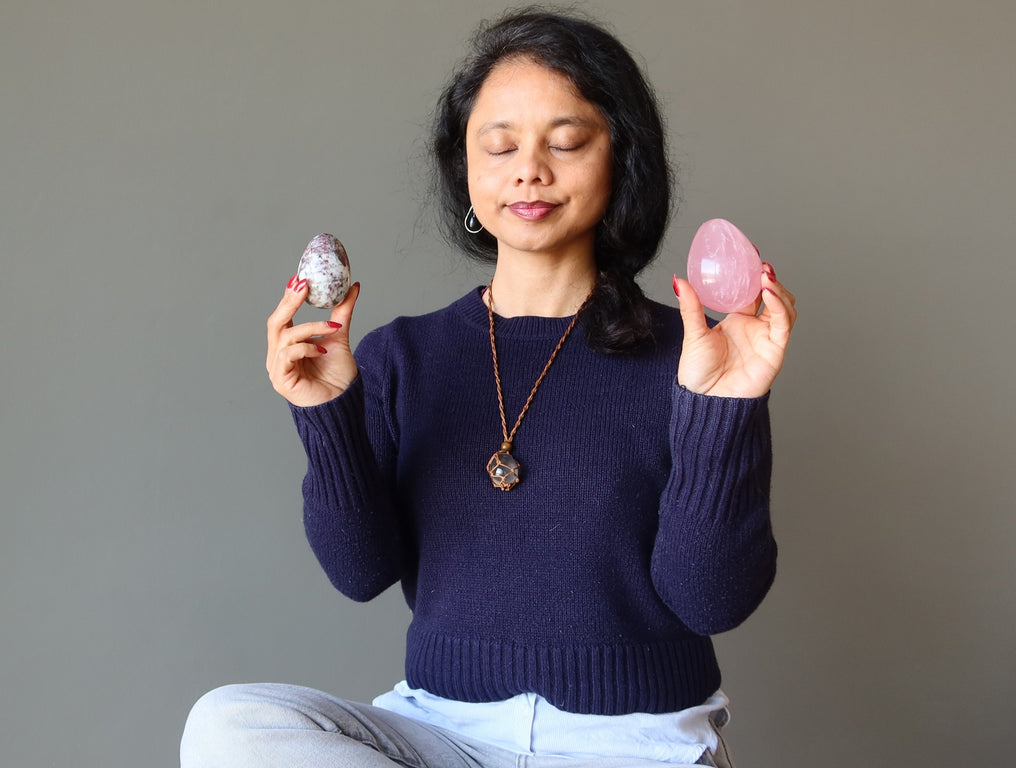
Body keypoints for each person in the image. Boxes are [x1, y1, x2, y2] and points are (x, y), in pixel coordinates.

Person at [181, 8, 796, 768]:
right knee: (230, 724)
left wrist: (724, 408)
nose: (528, 170)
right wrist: (324, 415)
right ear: (467, 171)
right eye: (499, 145)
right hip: (443, 736)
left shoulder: (697, 354)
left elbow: (712, 600)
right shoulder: (405, 354)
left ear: (620, 159)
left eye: (566, 143)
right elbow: (360, 573)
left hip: (633, 744)